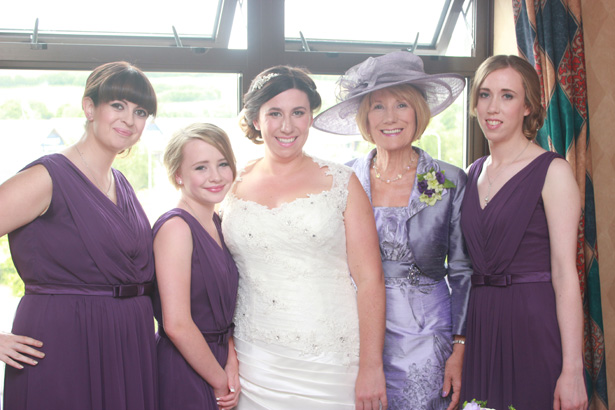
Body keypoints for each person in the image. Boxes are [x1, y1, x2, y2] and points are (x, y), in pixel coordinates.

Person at [220, 66, 388, 409]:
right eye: (274, 114)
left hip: (330, 360)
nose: (287, 126)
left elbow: (370, 279)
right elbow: (216, 276)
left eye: (298, 113)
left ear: (311, 117)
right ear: (255, 119)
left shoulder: (343, 182)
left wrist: (372, 366)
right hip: (255, 361)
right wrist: (227, 350)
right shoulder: (229, 184)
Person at [313, 51, 473, 410]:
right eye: (377, 107)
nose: (390, 118)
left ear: (419, 111)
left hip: (428, 336)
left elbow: (463, 272)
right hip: (355, 333)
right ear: (365, 118)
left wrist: (460, 346)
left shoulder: (450, 181)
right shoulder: (343, 179)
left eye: (401, 104)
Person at [0, 61, 159, 409]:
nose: (129, 120)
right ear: (89, 107)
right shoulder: (45, 177)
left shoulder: (123, 185)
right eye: (118, 105)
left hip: (127, 347)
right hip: (62, 346)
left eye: (140, 111)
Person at [459, 55, 587, 409]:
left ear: (529, 106)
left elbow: (565, 274)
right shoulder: (471, 173)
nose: (492, 107)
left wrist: (573, 369)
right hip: (480, 326)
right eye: (484, 95)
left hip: (532, 324)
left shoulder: (553, 171)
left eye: (507, 96)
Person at [152, 123, 240, 410]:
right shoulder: (176, 228)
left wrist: (230, 360)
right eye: (201, 167)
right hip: (184, 369)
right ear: (178, 174)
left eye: (223, 163)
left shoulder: (216, 221)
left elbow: (223, 313)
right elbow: (177, 324)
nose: (215, 176)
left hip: (217, 360)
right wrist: (218, 380)